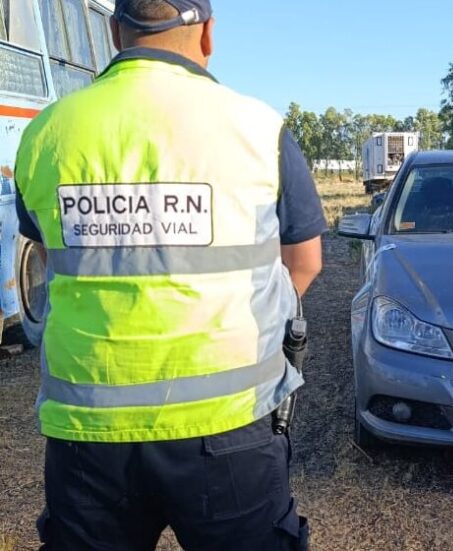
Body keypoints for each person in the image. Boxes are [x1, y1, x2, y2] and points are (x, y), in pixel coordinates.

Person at [13, 1, 326, 549]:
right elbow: (305, 262)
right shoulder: (258, 128)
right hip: (227, 426)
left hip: (88, 434)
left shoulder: (47, 134)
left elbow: (47, 253)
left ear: (116, 32)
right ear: (207, 34)